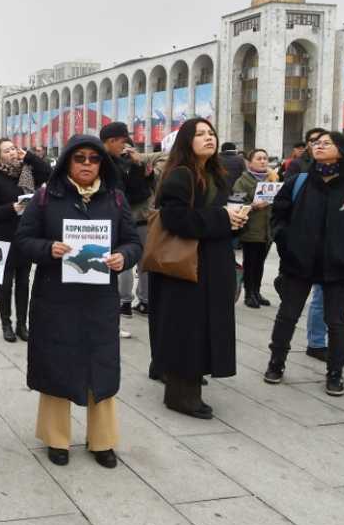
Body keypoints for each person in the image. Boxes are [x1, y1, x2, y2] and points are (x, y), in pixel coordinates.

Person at [16, 135, 142, 468]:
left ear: (103, 163)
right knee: (57, 362)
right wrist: (48, 249)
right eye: (80, 158)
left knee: (101, 363)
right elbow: (23, 240)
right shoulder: (45, 196)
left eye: (94, 158)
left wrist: (123, 257)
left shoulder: (115, 198)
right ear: (68, 161)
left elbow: (133, 241)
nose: (87, 164)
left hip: (99, 299)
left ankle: (102, 440)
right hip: (56, 297)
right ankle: (56, 439)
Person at [265, 132, 344, 395]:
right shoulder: (298, 182)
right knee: (287, 316)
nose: (318, 145)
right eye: (316, 143)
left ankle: (335, 373)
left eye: (326, 143)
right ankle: (276, 362)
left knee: (337, 321)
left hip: (341, 267)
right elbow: (278, 216)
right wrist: (287, 244)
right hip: (299, 264)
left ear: (342, 150)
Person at [148, 118, 245, 419]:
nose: (208, 138)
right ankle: (181, 396)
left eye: (211, 133)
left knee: (202, 326)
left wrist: (234, 220)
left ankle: (188, 378)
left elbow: (213, 216)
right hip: (184, 266)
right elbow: (176, 220)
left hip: (211, 261)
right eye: (200, 134)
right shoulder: (181, 175)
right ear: (186, 142)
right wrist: (222, 218)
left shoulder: (215, 174)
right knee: (185, 329)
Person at [100, 123, 158, 320]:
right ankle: (127, 301)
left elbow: (149, 187)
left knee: (139, 260)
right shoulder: (107, 163)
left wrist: (140, 165)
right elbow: (127, 193)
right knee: (123, 260)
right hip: (123, 218)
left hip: (139, 217)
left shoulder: (131, 164)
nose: (125, 149)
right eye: (123, 143)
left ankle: (141, 300)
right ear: (114, 141)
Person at [233, 149, 277, 308]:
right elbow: (237, 203)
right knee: (250, 262)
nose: (263, 161)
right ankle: (249, 293)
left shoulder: (271, 179)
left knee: (260, 263)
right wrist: (252, 206)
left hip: (267, 230)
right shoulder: (243, 181)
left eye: (265, 158)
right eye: (259, 158)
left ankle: (257, 291)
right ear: (250, 162)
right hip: (251, 228)